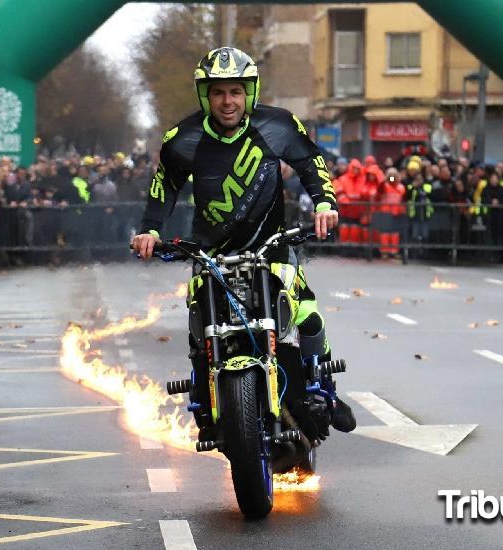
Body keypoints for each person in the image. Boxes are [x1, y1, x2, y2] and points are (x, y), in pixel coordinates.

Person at [131, 47, 355, 433]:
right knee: (198, 322)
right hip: (211, 255)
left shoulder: (279, 124)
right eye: (218, 93)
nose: (227, 101)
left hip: (272, 247)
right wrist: (150, 230)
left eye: (235, 91)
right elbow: (163, 187)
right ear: (206, 96)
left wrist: (324, 203)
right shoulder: (181, 138)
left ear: (249, 92)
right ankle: (204, 404)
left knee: (306, 313)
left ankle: (325, 390)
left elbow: (311, 164)